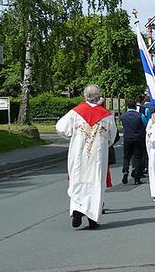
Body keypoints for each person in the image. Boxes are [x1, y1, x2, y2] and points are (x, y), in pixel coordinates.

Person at [55, 84, 118, 229]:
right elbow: (112, 136)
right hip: (97, 155)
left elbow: (60, 127)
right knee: (96, 183)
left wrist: (72, 137)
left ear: (85, 96)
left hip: (78, 153)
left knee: (78, 180)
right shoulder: (107, 116)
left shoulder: (75, 112)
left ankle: (77, 209)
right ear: (99, 98)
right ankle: (93, 218)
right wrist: (104, 144)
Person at [120, 98, 145, 185]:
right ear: (135, 106)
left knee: (126, 156)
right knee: (137, 158)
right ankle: (136, 177)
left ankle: (125, 171)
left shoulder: (123, 116)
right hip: (138, 138)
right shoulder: (140, 115)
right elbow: (145, 124)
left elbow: (123, 124)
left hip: (127, 137)